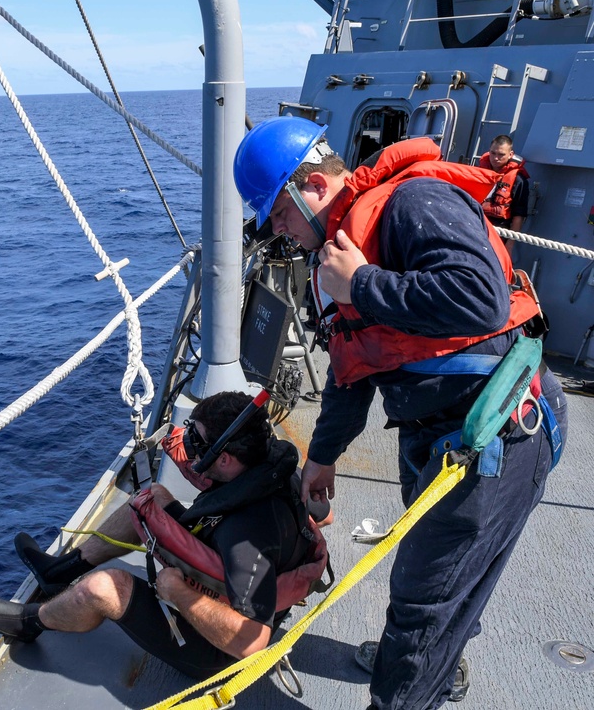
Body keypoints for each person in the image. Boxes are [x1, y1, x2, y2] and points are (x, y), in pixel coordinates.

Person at [233, 117, 568, 710]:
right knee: (439, 579)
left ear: (311, 185)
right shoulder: (335, 255)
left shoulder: (411, 204)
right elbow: (350, 361)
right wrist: (324, 457)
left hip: (496, 431)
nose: (279, 231)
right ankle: (434, 660)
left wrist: (361, 283)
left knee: (425, 597)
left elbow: (480, 299)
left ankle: (406, 685)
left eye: (278, 215)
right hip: (440, 433)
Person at [0, 391, 331, 680]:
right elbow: (322, 515)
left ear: (225, 460)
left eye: (198, 442)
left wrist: (181, 595)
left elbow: (252, 643)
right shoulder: (273, 466)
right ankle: (59, 571)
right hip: (225, 570)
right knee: (151, 497)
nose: (189, 446)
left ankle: (30, 623)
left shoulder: (246, 539)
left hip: (218, 651)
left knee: (104, 589)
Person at [477, 134, 530, 253]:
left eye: (501, 155)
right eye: (493, 153)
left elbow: (518, 216)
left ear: (510, 154)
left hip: (498, 233)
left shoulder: (518, 181)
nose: (496, 158)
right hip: (475, 227)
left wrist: (509, 246)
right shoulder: (478, 172)